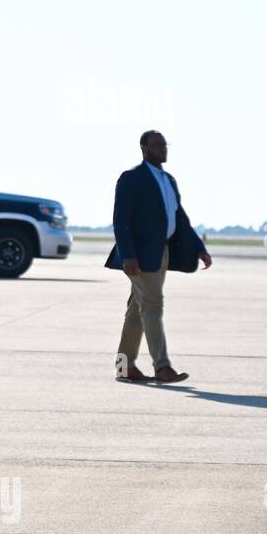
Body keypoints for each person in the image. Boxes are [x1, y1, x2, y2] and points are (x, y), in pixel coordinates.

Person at [106, 130, 212, 384]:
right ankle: (162, 368)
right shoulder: (132, 178)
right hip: (139, 257)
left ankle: (124, 367)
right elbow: (120, 220)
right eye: (158, 145)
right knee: (153, 306)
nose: (164, 149)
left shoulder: (168, 180)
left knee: (136, 310)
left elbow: (179, 217)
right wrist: (128, 255)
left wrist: (199, 247)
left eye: (165, 145)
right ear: (144, 148)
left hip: (161, 252)